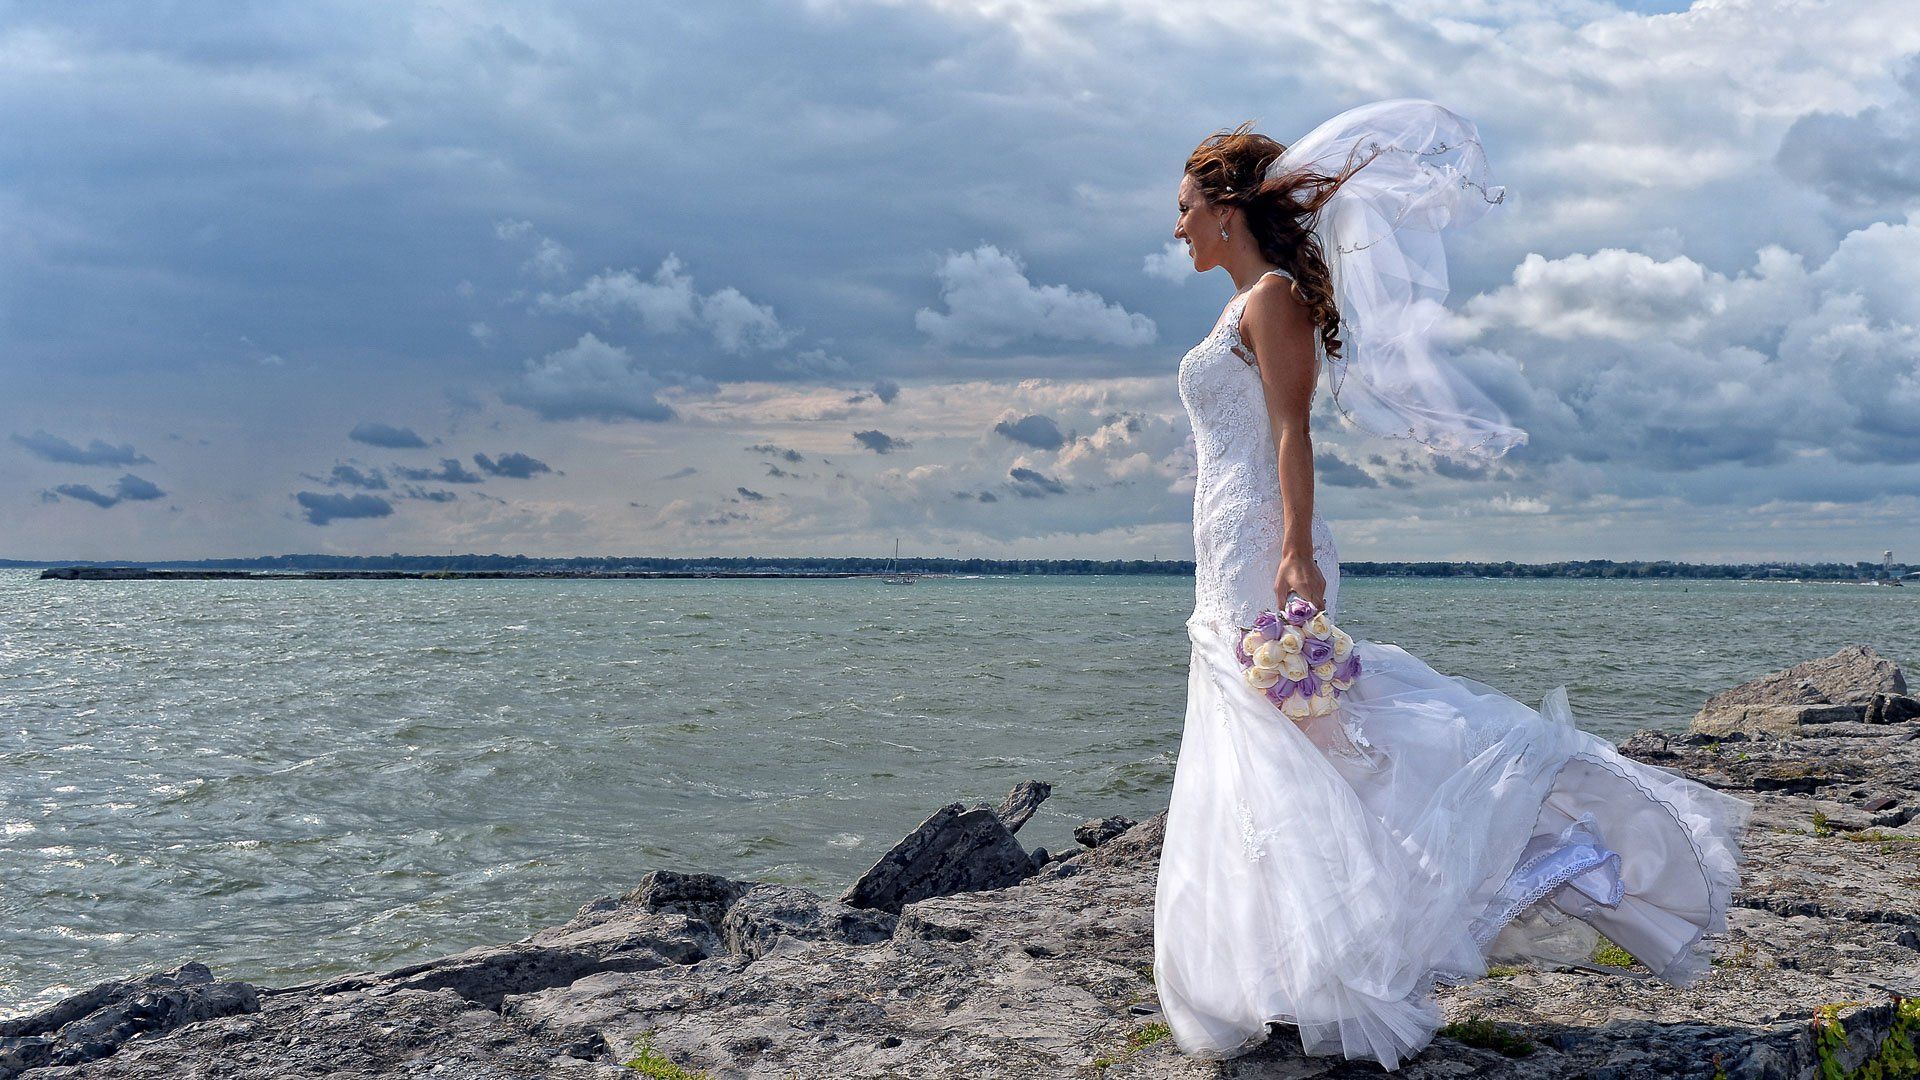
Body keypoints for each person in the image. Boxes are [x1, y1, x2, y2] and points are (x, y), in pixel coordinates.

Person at [1151, 100, 1752, 1070]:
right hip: (1225, 546)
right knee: (1273, 753)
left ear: (1225, 211)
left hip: (1265, 544)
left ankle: (1548, 848)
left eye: (1183, 208)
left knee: (1317, 740)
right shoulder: (1234, 307)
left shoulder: (1268, 301)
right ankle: (1285, 965)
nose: (1174, 227)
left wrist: (1297, 549)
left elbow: (1291, 433)